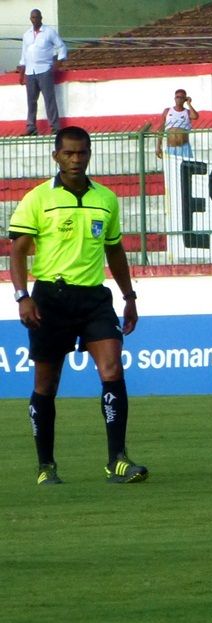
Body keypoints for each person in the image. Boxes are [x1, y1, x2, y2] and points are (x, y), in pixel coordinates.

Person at [8, 126, 149, 485]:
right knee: (46, 383)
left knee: (112, 369)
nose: (75, 159)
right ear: (56, 156)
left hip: (94, 298)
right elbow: (19, 251)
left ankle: (117, 460)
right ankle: (45, 466)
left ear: (89, 154)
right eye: (68, 153)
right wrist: (22, 296)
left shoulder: (105, 198)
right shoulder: (38, 199)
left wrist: (129, 297)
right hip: (50, 299)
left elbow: (114, 249)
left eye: (81, 153)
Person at [17, 8, 67, 136]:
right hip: (30, 72)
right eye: (33, 17)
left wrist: (59, 62)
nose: (35, 19)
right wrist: (22, 72)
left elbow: (61, 46)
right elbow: (24, 54)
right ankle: (31, 128)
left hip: (45, 70)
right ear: (30, 19)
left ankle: (55, 128)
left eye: (37, 17)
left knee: (49, 99)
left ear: (41, 18)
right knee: (31, 101)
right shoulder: (26, 34)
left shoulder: (49, 32)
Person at [156, 89, 200, 159]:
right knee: (170, 169)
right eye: (177, 97)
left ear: (185, 99)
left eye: (182, 97)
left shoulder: (187, 112)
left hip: (184, 147)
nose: (179, 99)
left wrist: (189, 103)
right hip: (170, 148)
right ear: (174, 98)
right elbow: (161, 129)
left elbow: (195, 116)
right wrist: (158, 147)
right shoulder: (167, 111)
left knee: (185, 169)